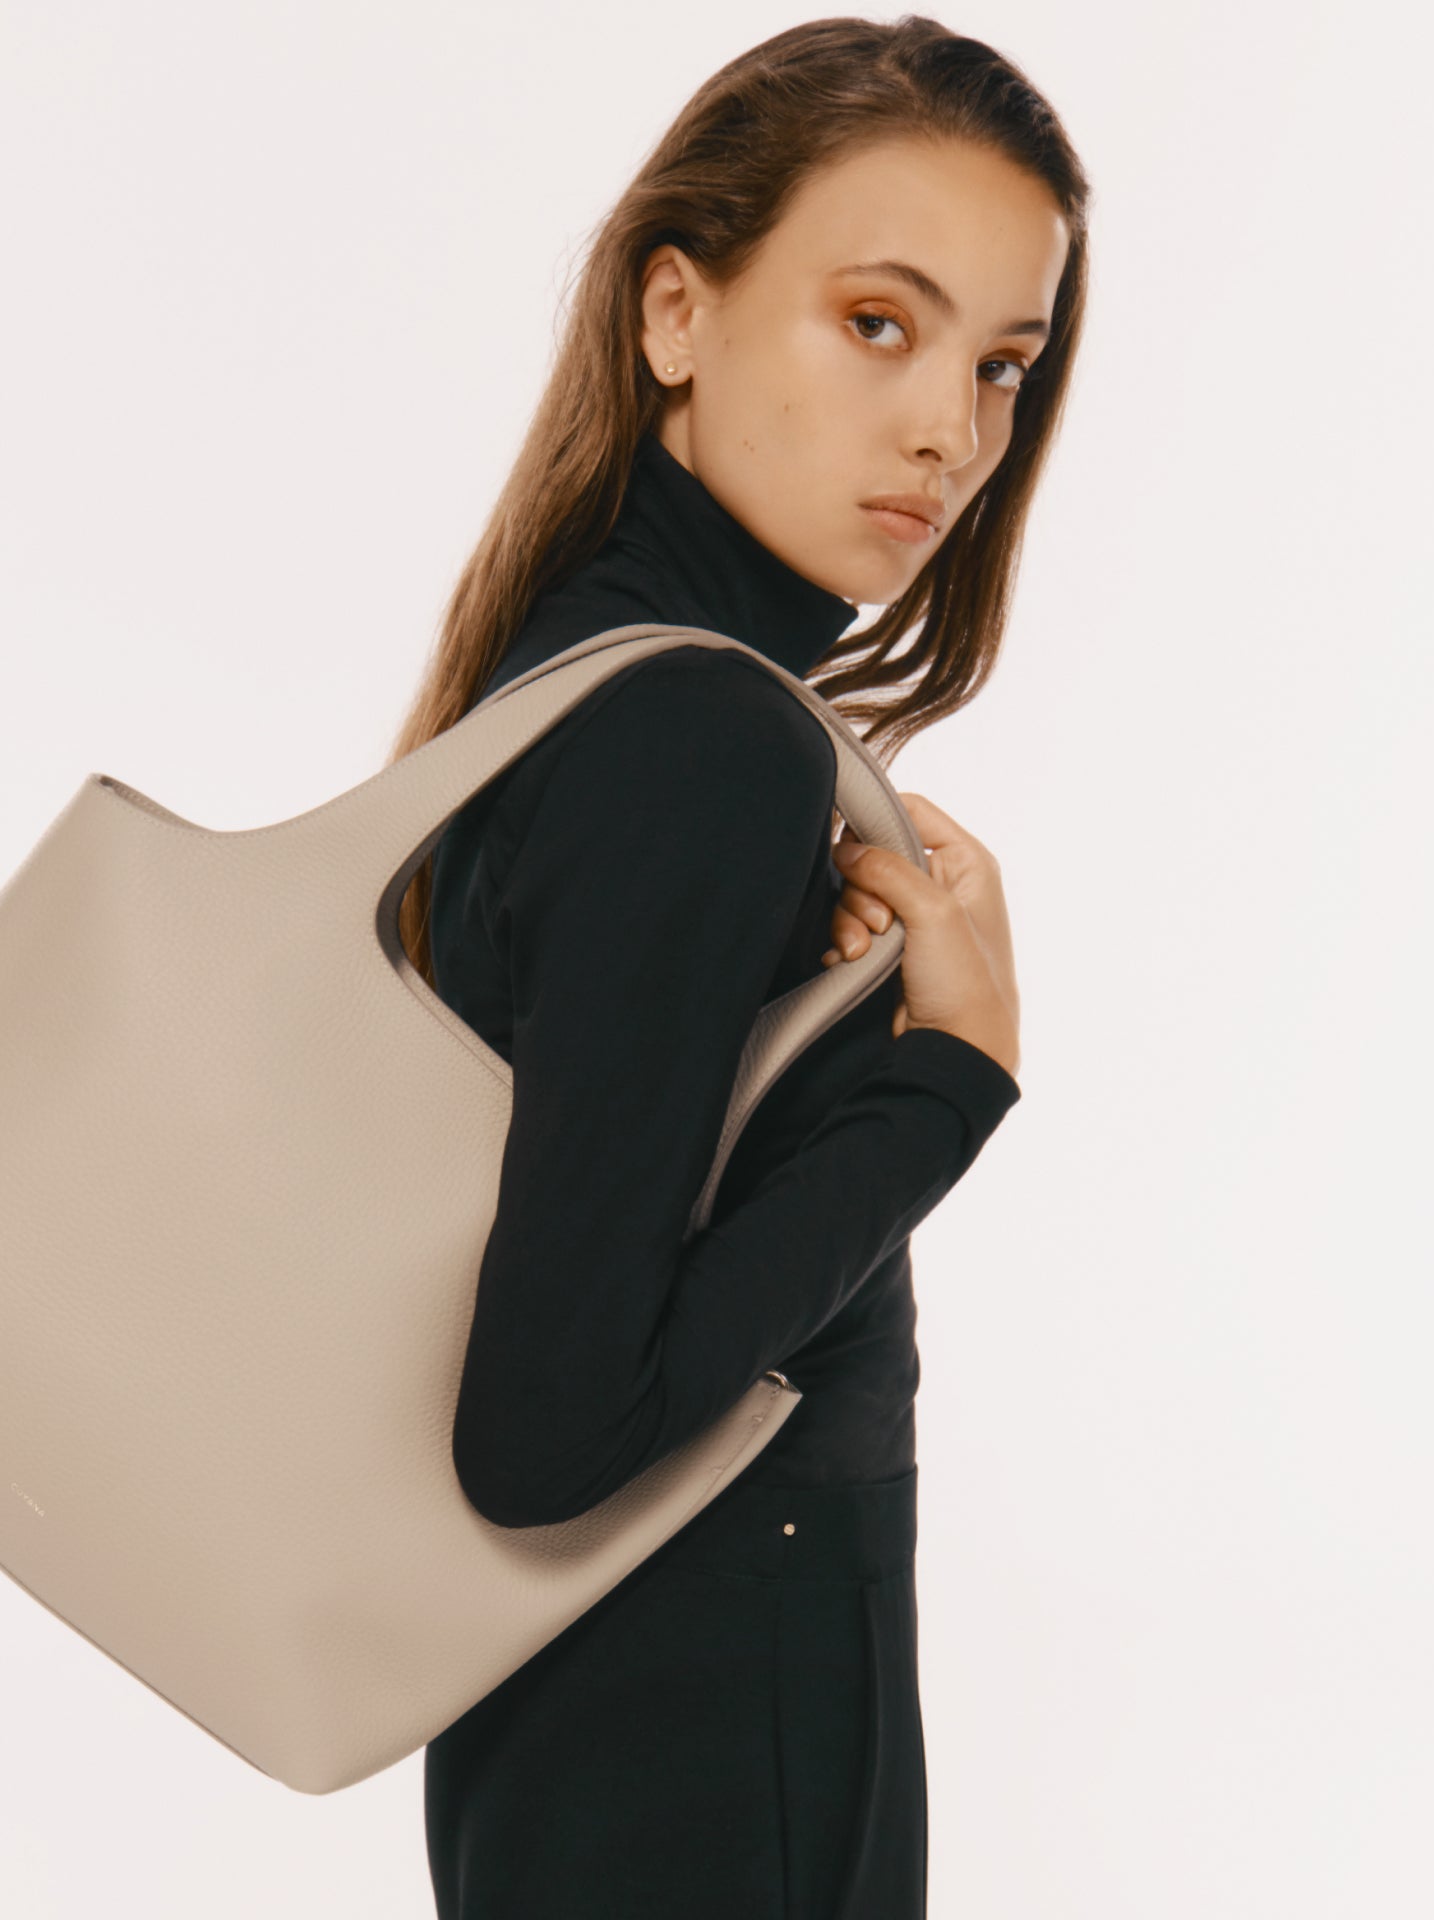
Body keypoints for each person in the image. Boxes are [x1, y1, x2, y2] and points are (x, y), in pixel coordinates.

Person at [385, 17, 1086, 1916]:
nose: (952, 426)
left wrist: (803, 1047)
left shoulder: (591, 672)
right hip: (716, 1732)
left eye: (1002, 362)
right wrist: (952, 1080)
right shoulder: (702, 736)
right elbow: (550, 1436)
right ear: (674, 310)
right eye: (880, 320)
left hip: (608, 1726)